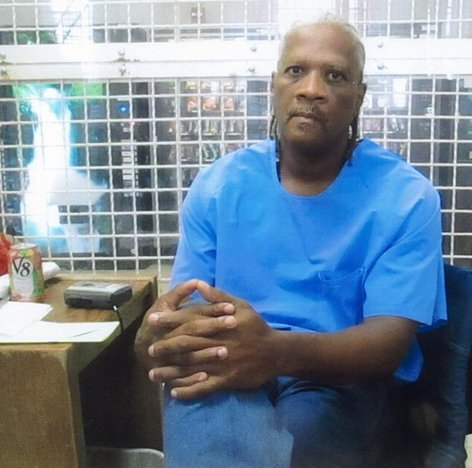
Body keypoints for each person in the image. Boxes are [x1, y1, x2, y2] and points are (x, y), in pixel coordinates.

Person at [134, 15, 446, 468]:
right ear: (274, 85)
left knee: (302, 442)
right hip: (227, 360)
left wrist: (274, 351)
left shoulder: (406, 198)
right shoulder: (219, 186)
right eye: (296, 71)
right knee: (204, 420)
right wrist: (158, 338)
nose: (311, 89)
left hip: (335, 378)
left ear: (359, 96)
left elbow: (387, 344)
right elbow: (189, 314)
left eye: (334, 76)